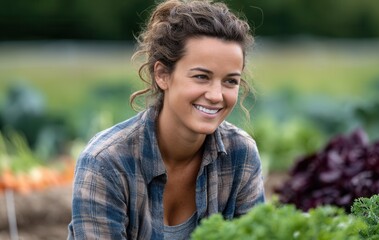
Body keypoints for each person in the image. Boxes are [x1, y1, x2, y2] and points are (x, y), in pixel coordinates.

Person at [67, 0, 265, 239]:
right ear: (162, 75)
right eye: (201, 76)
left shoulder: (240, 154)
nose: (216, 95)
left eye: (230, 81)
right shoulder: (106, 163)